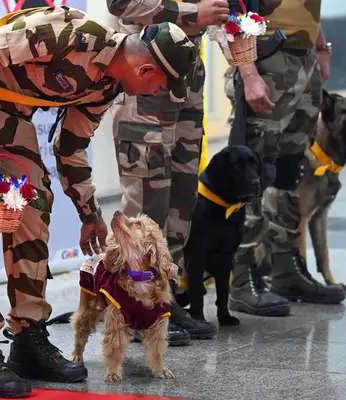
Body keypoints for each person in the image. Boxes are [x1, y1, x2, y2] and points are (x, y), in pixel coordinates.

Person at [0, 5, 198, 398]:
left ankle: (28, 338)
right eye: (159, 87)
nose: (156, 94)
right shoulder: (70, 33)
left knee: (32, 207)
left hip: (10, 111)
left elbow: (70, 148)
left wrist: (90, 215)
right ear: (146, 70)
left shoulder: (106, 87)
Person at [107, 0, 229, 346]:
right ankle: (134, 305)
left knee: (181, 196)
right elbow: (121, 5)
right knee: (148, 198)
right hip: (146, 66)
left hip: (187, 68)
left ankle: (162, 298)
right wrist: (191, 14)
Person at [225, 0, 346, 314]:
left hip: (303, 60)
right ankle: (241, 278)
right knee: (252, 171)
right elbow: (233, 10)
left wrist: (320, 48)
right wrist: (249, 74)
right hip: (267, 59)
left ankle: (284, 268)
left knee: (291, 170)